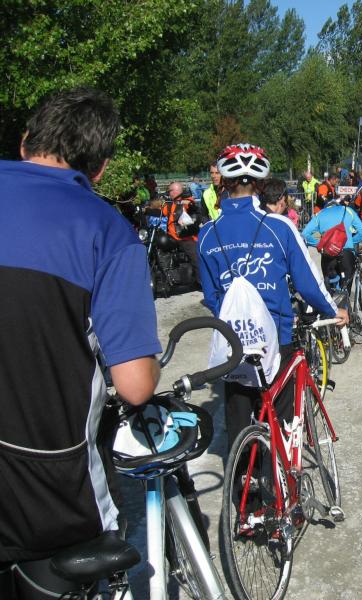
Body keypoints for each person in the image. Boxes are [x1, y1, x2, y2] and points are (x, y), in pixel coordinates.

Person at [0, 87, 161, 598]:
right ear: (101, 169)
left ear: (25, 141)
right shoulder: (107, 231)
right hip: (44, 489)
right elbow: (134, 386)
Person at [198, 144, 347, 451]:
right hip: (276, 338)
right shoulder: (279, 226)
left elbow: (211, 296)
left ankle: (243, 476)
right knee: (282, 422)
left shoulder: (207, 234)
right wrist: (334, 310)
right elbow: (307, 283)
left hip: (233, 342)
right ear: (260, 185)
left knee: (239, 429)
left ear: (223, 182)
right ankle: (283, 473)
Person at [302, 195, 362, 292]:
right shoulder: (348, 211)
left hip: (328, 253)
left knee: (330, 289)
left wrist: (322, 244)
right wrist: (349, 241)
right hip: (347, 253)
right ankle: (345, 298)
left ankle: (331, 294)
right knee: (346, 290)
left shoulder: (320, 214)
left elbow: (305, 234)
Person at [164, 181, 201, 285]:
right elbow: (160, 212)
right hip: (173, 237)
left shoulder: (186, 202)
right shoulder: (170, 204)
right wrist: (145, 210)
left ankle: (202, 282)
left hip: (186, 238)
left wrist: (189, 204)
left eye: (170, 191)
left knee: (196, 260)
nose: (169, 193)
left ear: (175, 191)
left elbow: (192, 207)